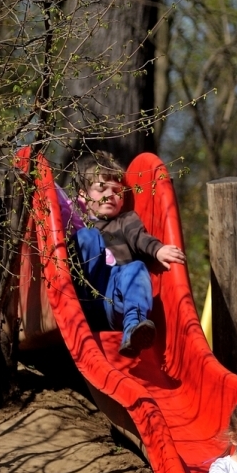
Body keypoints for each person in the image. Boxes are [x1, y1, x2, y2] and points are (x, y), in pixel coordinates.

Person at [69, 151, 185, 358]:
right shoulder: (75, 226)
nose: (111, 195)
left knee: (136, 268)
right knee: (88, 236)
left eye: (117, 190)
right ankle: (83, 314)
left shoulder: (125, 221)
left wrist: (157, 249)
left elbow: (139, 237)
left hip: (113, 302)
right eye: (102, 188)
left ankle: (134, 330)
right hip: (85, 299)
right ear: (83, 195)